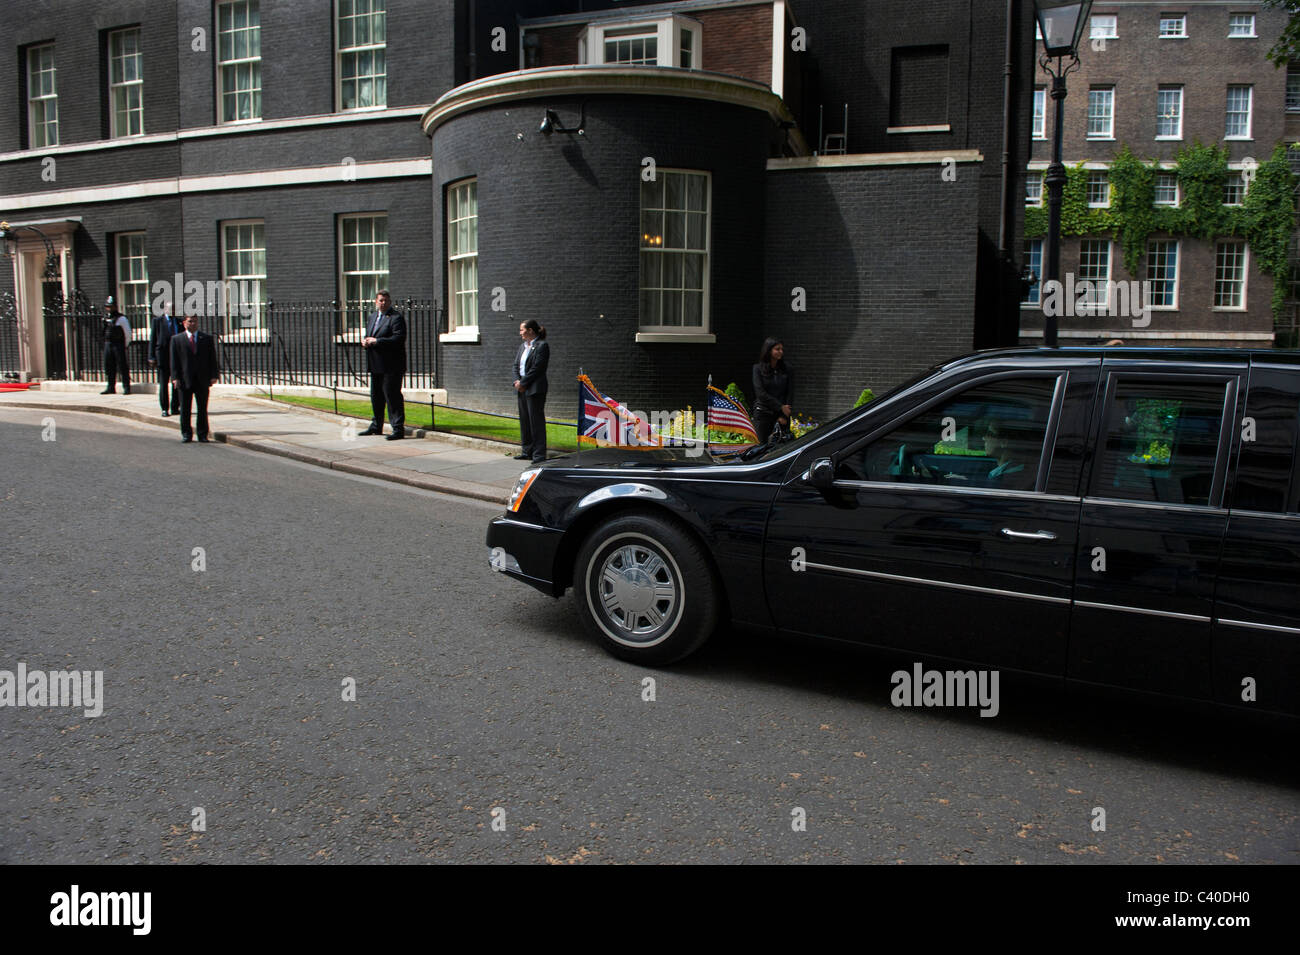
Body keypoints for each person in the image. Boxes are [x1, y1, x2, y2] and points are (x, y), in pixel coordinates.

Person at [359, 289, 407, 440]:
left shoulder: (396, 318)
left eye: (386, 300)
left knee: (392, 397)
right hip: (376, 364)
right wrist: (366, 341)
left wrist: (377, 341)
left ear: (390, 302)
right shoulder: (372, 317)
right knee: (376, 396)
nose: (383, 303)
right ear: (376, 301)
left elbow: (398, 339)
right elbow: (371, 334)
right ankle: (376, 426)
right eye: (380, 300)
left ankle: (398, 429)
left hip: (391, 365)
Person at [169, 313, 221, 443]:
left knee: (202, 408)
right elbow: (174, 361)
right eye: (190, 321)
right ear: (184, 323)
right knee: (185, 409)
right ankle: (186, 433)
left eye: (195, 322)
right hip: (184, 379)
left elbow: (212, 358)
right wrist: (175, 377)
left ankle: (202, 434)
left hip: (202, 379)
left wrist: (214, 375)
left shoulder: (206, 338)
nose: (193, 324)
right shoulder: (177, 339)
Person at [513, 319, 549, 463]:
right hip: (521, 387)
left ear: (530, 331)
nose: (520, 332)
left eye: (522, 330)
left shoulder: (542, 346)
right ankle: (526, 451)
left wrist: (524, 382)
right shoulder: (522, 347)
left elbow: (538, 368)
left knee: (536, 422)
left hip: (534, 389)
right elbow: (515, 365)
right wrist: (517, 381)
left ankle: (539, 455)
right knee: (525, 421)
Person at [751, 336, 793, 444]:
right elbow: (760, 393)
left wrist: (784, 414)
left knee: (782, 446)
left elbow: (790, 392)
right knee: (761, 446)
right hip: (763, 413)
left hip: (782, 415)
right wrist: (780, 407)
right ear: (769, 350)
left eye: (781, 349)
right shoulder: (757, 369)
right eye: (777, 349)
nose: (781, 352)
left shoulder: (787, 369)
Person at [148, 301, 181, 416]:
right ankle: (164, 408)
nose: (172, 311)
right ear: (165, 309)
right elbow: (153, 340)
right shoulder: (157, 321)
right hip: (162, 357)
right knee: (163, 384)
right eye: (170, 308)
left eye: (174, 309)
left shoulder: (179, 322)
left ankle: (175, 407)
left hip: (176, 358)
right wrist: (151, 356)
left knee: (176, 383)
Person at [100, 297, 132, 395]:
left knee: (122, 366)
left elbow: (127, 333)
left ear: (115, 307)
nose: (109, 308)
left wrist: (125, 345)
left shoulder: (121, 318)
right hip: (108, 344)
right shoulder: (106, 317)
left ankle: (126, 387)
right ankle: (110, 387)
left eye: (111, 306)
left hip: (118, 344)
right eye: (107, 306)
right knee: (109, 366)